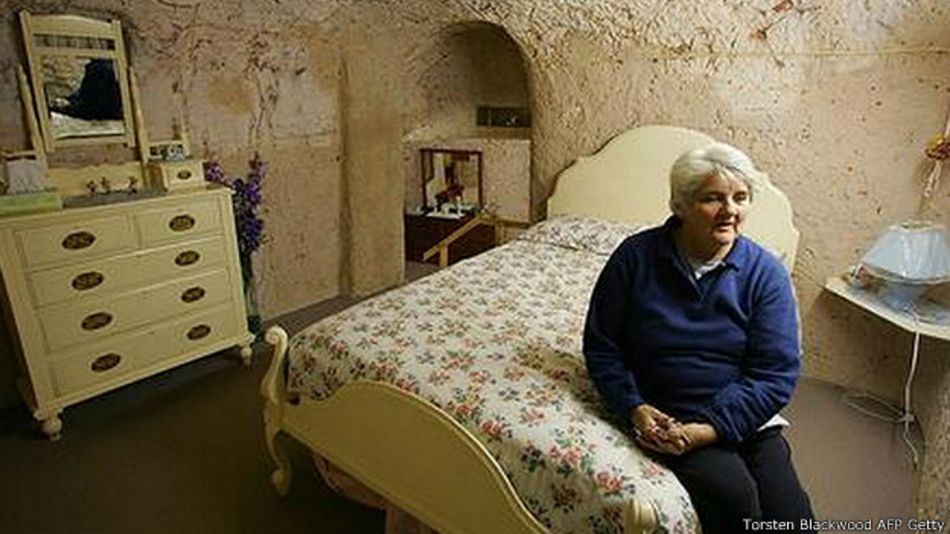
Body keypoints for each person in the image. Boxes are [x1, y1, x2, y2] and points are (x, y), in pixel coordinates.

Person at [583, 142, 815, 533]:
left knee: (793, 520)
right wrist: (634, 406)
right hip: (674, 415)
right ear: (680, 205)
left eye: (740, 198)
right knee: (736, 500)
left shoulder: (766, 274)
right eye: (713, 198)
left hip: (747, 414)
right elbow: (602, 346)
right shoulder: (635, 258)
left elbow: (775, 374)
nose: (730, 211)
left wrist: (711, 429)